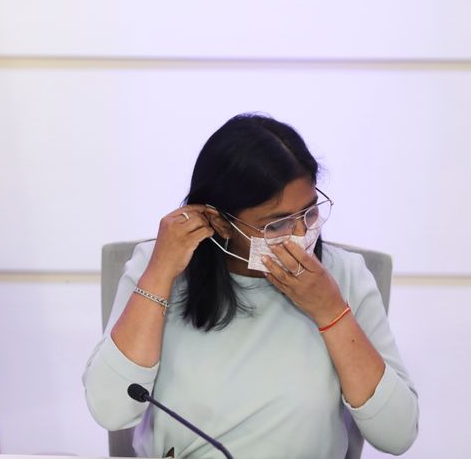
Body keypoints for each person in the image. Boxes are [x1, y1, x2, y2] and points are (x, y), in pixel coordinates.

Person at [83, 114, 418, 458]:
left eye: (309, 213)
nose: (301, 235)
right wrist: (159, 274)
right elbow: (111, 410)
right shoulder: (159, 267)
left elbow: (398, 435)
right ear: (219, 222)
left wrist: (332, 312)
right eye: (277, 225)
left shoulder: (345, 275)